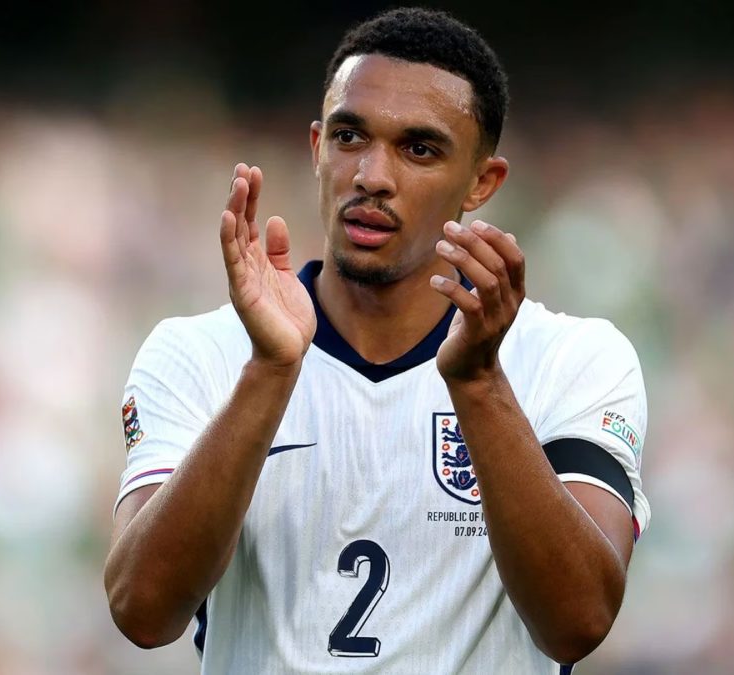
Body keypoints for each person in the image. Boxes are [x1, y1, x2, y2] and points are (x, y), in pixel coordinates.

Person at [104, 7, 649, 673]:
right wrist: (270, 372)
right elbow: (142, 608)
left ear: (483, 181)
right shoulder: (200, 352)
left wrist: (479, 385)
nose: (372, 176)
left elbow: (579, 620)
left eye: (419, 148)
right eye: (350, 136)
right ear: (315, 147)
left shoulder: (575, 359)